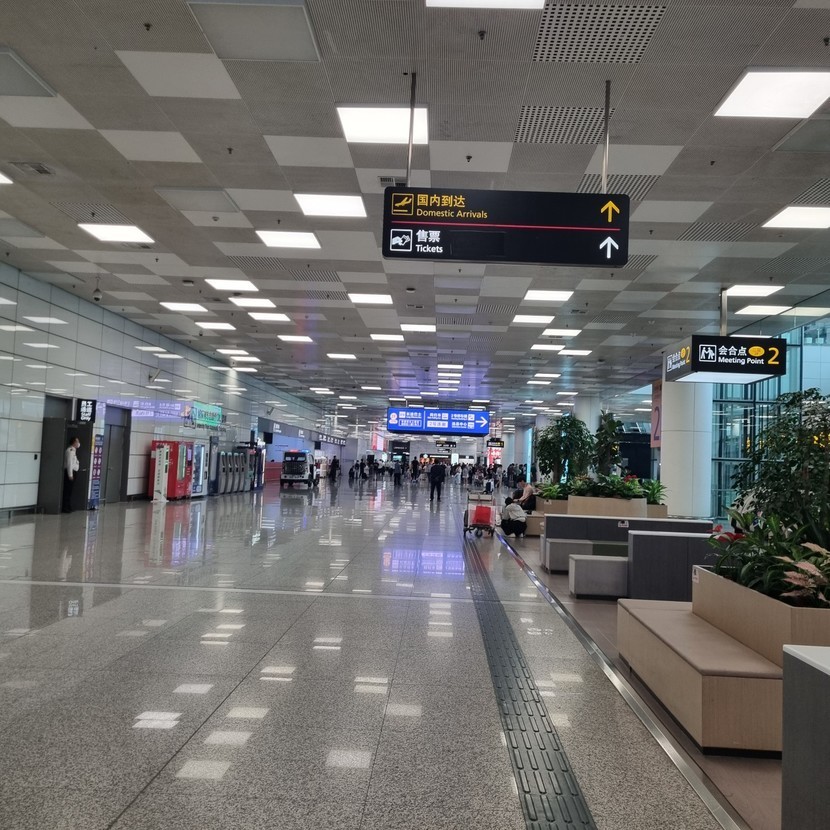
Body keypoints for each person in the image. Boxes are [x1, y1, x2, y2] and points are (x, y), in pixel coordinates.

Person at [62, 436, 80, 513]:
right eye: (77, 441)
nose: (78, 443)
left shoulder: (73, 451)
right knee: (67, 491)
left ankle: (68, 506)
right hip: (70, 472)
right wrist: (70, 475)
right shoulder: (70, 451)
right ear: (74, 442)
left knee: (70, 491)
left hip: (73, 472)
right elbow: (69, 464)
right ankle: (65, 507)